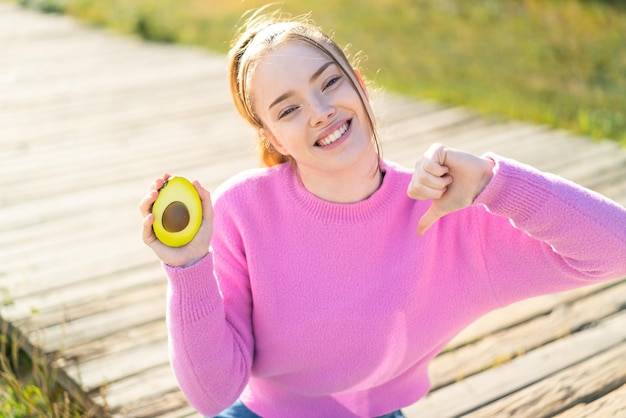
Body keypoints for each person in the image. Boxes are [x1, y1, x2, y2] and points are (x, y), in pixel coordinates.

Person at [139, 8, 626, 418]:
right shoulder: (242, 210)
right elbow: (212, 393)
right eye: (287, 110)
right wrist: (187, 268)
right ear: (272, 139)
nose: (320, 110)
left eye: (330, 82)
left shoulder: (445, 213)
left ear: (362, 86)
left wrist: (491, 183)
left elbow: (615, 249)